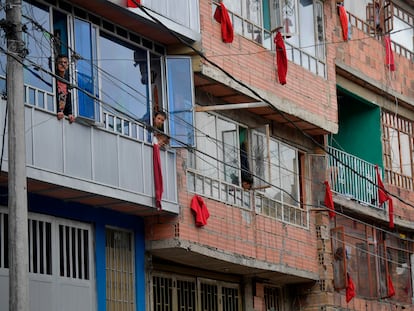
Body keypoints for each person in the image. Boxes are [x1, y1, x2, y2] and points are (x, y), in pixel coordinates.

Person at [56, 55, 75, 123]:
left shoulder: (68, 80)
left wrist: (70, 113)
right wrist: (58, 110)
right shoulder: (54, 78)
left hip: (63, 113)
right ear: (56, 64)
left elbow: (69, 98)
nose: (63, 64)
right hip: (56, 112)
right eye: (60, 62)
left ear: (67, 65)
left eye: (65, 62)